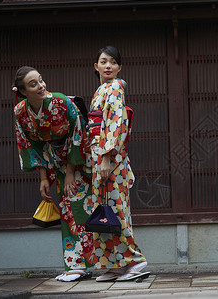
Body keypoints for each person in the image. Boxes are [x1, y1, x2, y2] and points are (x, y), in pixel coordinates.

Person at [12, 66, 94, 282]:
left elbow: (79, 129)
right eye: (33, 84)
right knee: (67, 209)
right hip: (54, 160)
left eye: (40, 81)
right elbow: (30, 144)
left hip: (79, 159)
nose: (41, 86)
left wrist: (70, 170)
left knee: (81, 206)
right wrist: (42, 178)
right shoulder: (20, 112)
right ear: (22, 91)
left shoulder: (60, 102)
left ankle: (89, 263)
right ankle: (75, 265)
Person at [88, 46, 148, 282]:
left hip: (110, 160)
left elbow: (116, 122)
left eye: (113, 62)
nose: (108, 66)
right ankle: (116, 264)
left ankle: (136, 261)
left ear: (120, 67)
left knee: (117, 211)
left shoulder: (114, 88)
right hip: (99, 158)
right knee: (104, 212)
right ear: (96, 66)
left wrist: (106, 157)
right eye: (104, 62)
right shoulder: (100, 90)